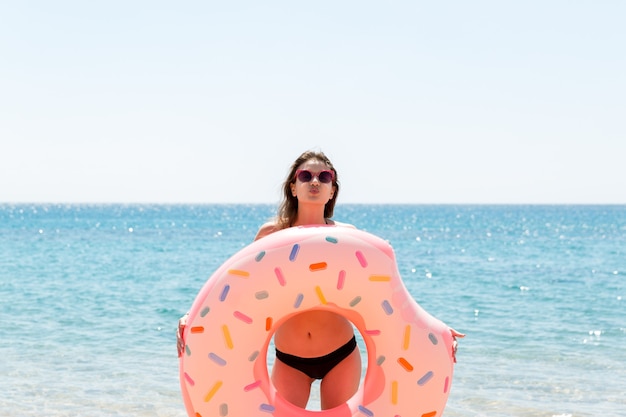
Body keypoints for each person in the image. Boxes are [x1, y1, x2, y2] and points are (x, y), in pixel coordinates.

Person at [177, 150, 361, 410]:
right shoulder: (271, 234)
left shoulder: (347, 236)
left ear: (332, 190)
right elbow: (234, 283)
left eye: (325, 176)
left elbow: (373, 289)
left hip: (340, 354)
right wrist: (193, 316)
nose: (315, 181)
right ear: (293, 188)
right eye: (305, 175)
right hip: (290, 360)